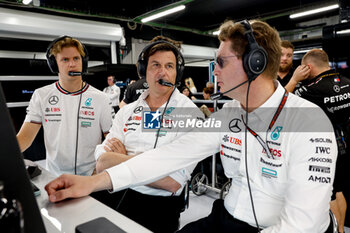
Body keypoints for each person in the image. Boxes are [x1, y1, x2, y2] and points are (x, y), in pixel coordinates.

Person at [45, 20, 337, 232]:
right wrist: (91, 182)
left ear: (255, 63)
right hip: (228, 218)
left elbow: (303, 224)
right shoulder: (229, 115)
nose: (215, 71)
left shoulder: (309, 123)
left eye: (221, 62)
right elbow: (167, 158)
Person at [93, 36, 200, 233]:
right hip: (120, 193)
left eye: (169, 66)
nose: (163, 72)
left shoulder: (191, 114)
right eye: (155, 65)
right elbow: (102, 162)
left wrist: (123, 158)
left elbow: (172, 182)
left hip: (159, 208)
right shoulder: (127, 112)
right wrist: (151, 166)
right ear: (144, 71)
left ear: (177, 72)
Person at [17, 36, 113, 176]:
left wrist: (100, 169)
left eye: (76, 58)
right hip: (54, 177)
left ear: (83, 62)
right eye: (65, 60)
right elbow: (25, 138)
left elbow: (112, 141)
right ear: (54, 64)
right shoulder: (41, 95)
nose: (72, 64)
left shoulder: (101, 98)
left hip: (91, 178)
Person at [293, 49, 350, 233]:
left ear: (308, 67)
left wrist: (294, 80)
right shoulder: (347, 82)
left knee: (330, 194)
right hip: (344, 144)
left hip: (325, 147)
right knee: (339, 190)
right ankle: (341, 230)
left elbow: (279, 104)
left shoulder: (312, 89)